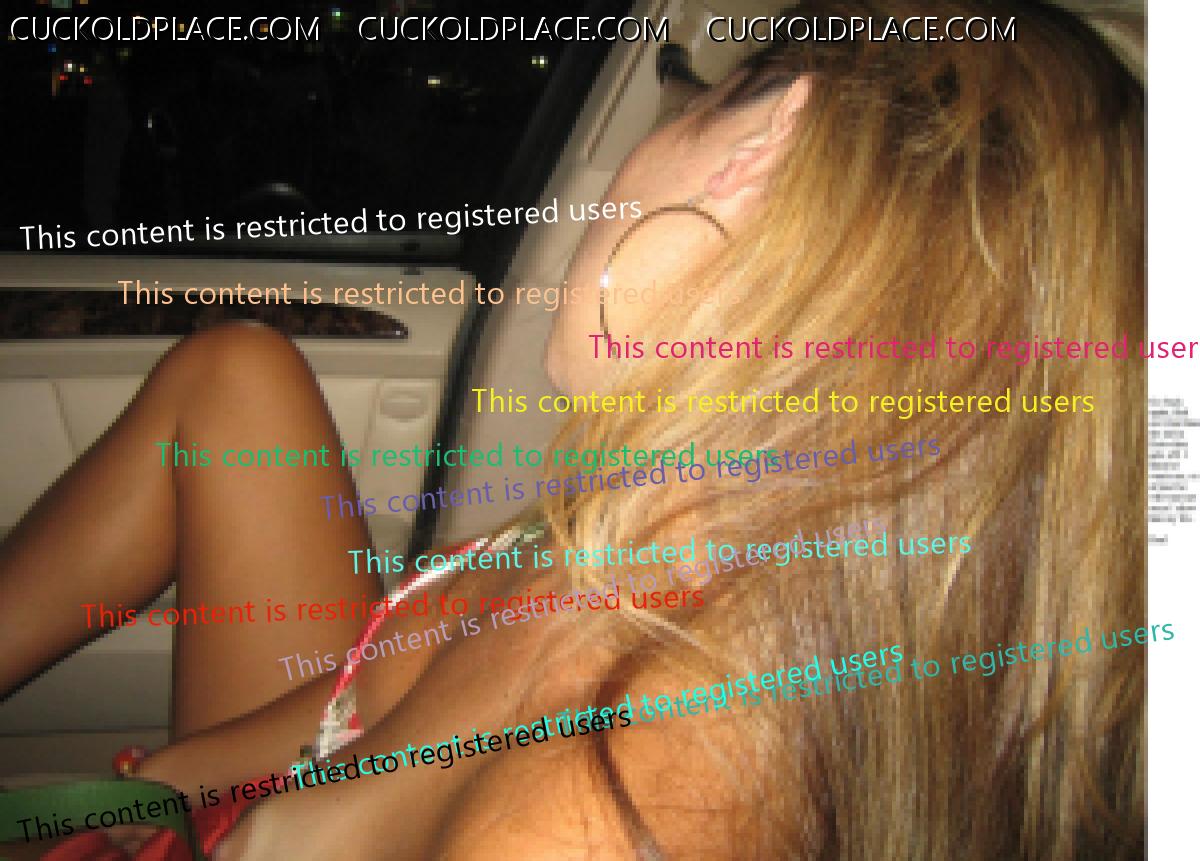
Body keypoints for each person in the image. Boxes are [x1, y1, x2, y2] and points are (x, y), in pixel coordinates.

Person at [0, 1, 1145, 858]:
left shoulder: (596, 813)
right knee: (236, 374)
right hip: (279, 789)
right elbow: (352, 707)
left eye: (686, 106)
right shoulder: (661, 510)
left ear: (764, 145)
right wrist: (168, 786)